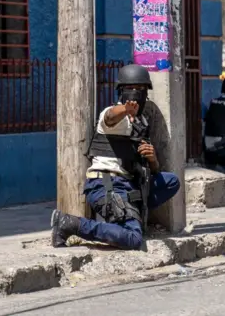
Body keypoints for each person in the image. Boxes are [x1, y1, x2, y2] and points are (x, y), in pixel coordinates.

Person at [51, 64, 180, 250]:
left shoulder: (142, 122)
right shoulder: (115, 116)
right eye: (130, 89)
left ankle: (129, 215)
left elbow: (151, 170)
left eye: (141, 90)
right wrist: (125, 110)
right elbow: (110, 117)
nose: (136, 94)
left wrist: (153, 160)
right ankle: (71, 224)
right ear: (121, 92)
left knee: (171, 181)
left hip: (131, 184)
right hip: (106, 184)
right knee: (133, 239)